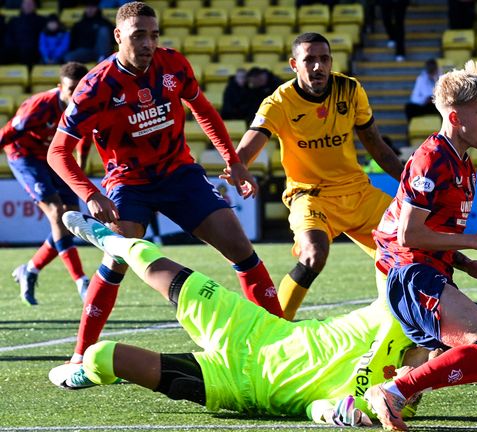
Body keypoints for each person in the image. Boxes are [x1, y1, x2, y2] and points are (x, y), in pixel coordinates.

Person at [47, 1, 279, 386]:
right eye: (139, 35)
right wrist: (90, 193)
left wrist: (234, 160)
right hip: (128, 182)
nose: (148, 43)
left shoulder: (173, 65)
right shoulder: (95, 87)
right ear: (119, 36)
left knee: (240, 247)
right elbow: (58, 151)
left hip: (179, 174)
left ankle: (281, 337)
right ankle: (78, 355)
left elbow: (202, 109)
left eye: (154, 35)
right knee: (118, 257)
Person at [52, 211, 428, 427]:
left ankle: (87, 372)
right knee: (166, 269)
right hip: (253, 328)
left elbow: (313, 407)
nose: (431, 356)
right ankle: (113, 242)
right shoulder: (396, 309)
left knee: (102, 356)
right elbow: (393, 255)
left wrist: (333, 415)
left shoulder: (393, 400)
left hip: (241, 386)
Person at [367, 60, 477, 431]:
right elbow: (409, 235)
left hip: (435, 274)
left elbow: (432, 232)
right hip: (410, 275)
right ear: (456, 116)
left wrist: (464, 262)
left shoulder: (464, 164)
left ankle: (401, 385)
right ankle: (396, 389)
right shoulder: (431, 159)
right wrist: (475, 242)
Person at [228, 32, 403, 320]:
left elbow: (378, 147)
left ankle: (412, 325)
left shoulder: (349, 89)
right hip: (309, 196)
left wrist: (411, 185)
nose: (318, 67)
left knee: (411, 249)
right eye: (309, 60)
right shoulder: (280, 101)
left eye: (324, 59)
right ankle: (274, 328)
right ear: (294, 64)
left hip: (357, 192)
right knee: (313, 254)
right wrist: (240, 164)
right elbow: (253, 138)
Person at [1, 62, 90, 305]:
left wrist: (77, 173)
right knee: (57, 214)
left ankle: (29, 270)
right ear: (60, 86)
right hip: (25, 156)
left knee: (71, 219)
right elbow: (9, 131)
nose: (75, 95)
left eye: (79, 89)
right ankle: (81, 281)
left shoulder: (84, 106)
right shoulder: (39, 106)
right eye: (71, 89)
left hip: (54, 156)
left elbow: (85, 139)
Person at [3, 0, 46, 66]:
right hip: (15, 49)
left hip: (34, 50)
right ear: (21, 5)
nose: (28, 5)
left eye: (30, 3)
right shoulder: (14, 20)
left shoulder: (41, 20)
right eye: (26, 3)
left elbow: (44, 38)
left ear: (35, 6)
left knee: (28, 53)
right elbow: (9, 37)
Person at [404, 58, 440, 122]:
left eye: (432, 71)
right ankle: (410, 129)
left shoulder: (441, 78)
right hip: (425, 105)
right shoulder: (421, 79)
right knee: (408, 108)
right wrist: (424, 99)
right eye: (430, 71)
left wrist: (436, 80)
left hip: (436, 105)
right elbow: (414, 98)